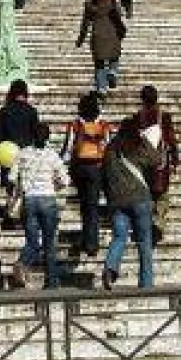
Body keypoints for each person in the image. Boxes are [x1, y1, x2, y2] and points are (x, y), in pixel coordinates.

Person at [100, 112, 159, 290]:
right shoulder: (139, 145)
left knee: (119, 237)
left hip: (117, 201)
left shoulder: (110, 149)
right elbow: (156, 160)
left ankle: (110, 268)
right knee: (144, 242)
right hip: (140, 198)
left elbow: (104, 175)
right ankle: (146, 282)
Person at [123, 84, 181, 244]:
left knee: (146, 195)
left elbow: (131, 143)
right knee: (162, 196)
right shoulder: (164, 117)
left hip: (142, 164)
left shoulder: (137, 118)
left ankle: (144, 225)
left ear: (142, 99)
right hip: (160, 164)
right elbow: (171, 140)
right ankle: (158, 223)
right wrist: (175, 159)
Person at [12, 123, 67, 288]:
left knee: (32, 241)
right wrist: (54, 187)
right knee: (50, 243)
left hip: (30, 200)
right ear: (48, 137)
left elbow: (11, 177)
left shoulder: (22, 154)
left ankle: (22, 262)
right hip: (48, 200)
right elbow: (64, 180)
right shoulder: (53, 156)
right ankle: (51, 281)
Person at [62, 92, 113, 258]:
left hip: (80, 168)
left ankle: (87, 239)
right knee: (92, 205)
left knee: (85, 205)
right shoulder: (104, 126)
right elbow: (109, 148)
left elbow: (68, 149)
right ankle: (91, 242)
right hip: (97, 168)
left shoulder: (75, 125)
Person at [0, 79, 42, 199]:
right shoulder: (32, 112)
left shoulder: (3, 112)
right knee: (27, 188)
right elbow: (37, 134)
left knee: (11, 188)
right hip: (27, 155)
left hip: (8, 155)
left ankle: (12, 211)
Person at [75, 0, 127, 95]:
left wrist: (80, 40)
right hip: (112, 32)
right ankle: (113, 71)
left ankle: (102, 87)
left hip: (97, 35)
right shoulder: (111, 0)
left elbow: (85, 24)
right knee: (114, 56)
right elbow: (118, 14)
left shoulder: (89, 3)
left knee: (99, 64)